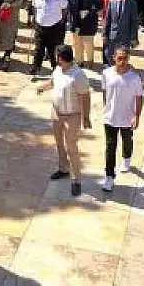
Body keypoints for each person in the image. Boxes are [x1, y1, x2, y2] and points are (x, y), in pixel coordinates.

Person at [35, 46, 91, 197]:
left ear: (63, 58)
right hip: (57, 113)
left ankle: (76, 180)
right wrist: (42, 87)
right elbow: (53, 82)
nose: (57, 60)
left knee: (71, 146)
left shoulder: (78, 75)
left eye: (58, 58)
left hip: (72, 115)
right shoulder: (58, 70)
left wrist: (86, 117)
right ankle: (63, 168)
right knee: (59, 143)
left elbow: (85, 96)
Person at [100, 45, 144, 192]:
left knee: (127, 140)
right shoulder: (106, 74)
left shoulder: (134, 78)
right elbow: (105, 92)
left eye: (125, 58)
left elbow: (139, 97)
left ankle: (126, 158)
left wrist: (137, 116)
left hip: (127, 117)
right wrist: (106, 108)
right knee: (110, 147)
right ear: (114, 58)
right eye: (119, 58)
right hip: (110, 118)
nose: (122, 61)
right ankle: (109, 176)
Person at [30, 0, 68, 77]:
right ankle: (36, 67)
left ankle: (56, 68)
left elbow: (65, 7)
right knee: (39, 48)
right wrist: (34, 19)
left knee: (53, 50)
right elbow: (34, 7)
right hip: (40, 27)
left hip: (54, 27)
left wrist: (62, 21)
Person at [69, 0, 101, 69]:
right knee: (77, 43)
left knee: (88, 44)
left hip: (89, 23)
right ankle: (79, 61)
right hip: (76, 21)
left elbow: (100, 7)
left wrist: (90, 11)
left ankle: (90, 60)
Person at [103, 0, 139, 65]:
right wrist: (105, 34)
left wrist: (134, 38)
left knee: (123, 56)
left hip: (125, 36)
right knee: (110, 55)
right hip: (113, 35)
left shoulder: (132, 3)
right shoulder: (111, 2)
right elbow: (108, 19)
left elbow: (134, 22)